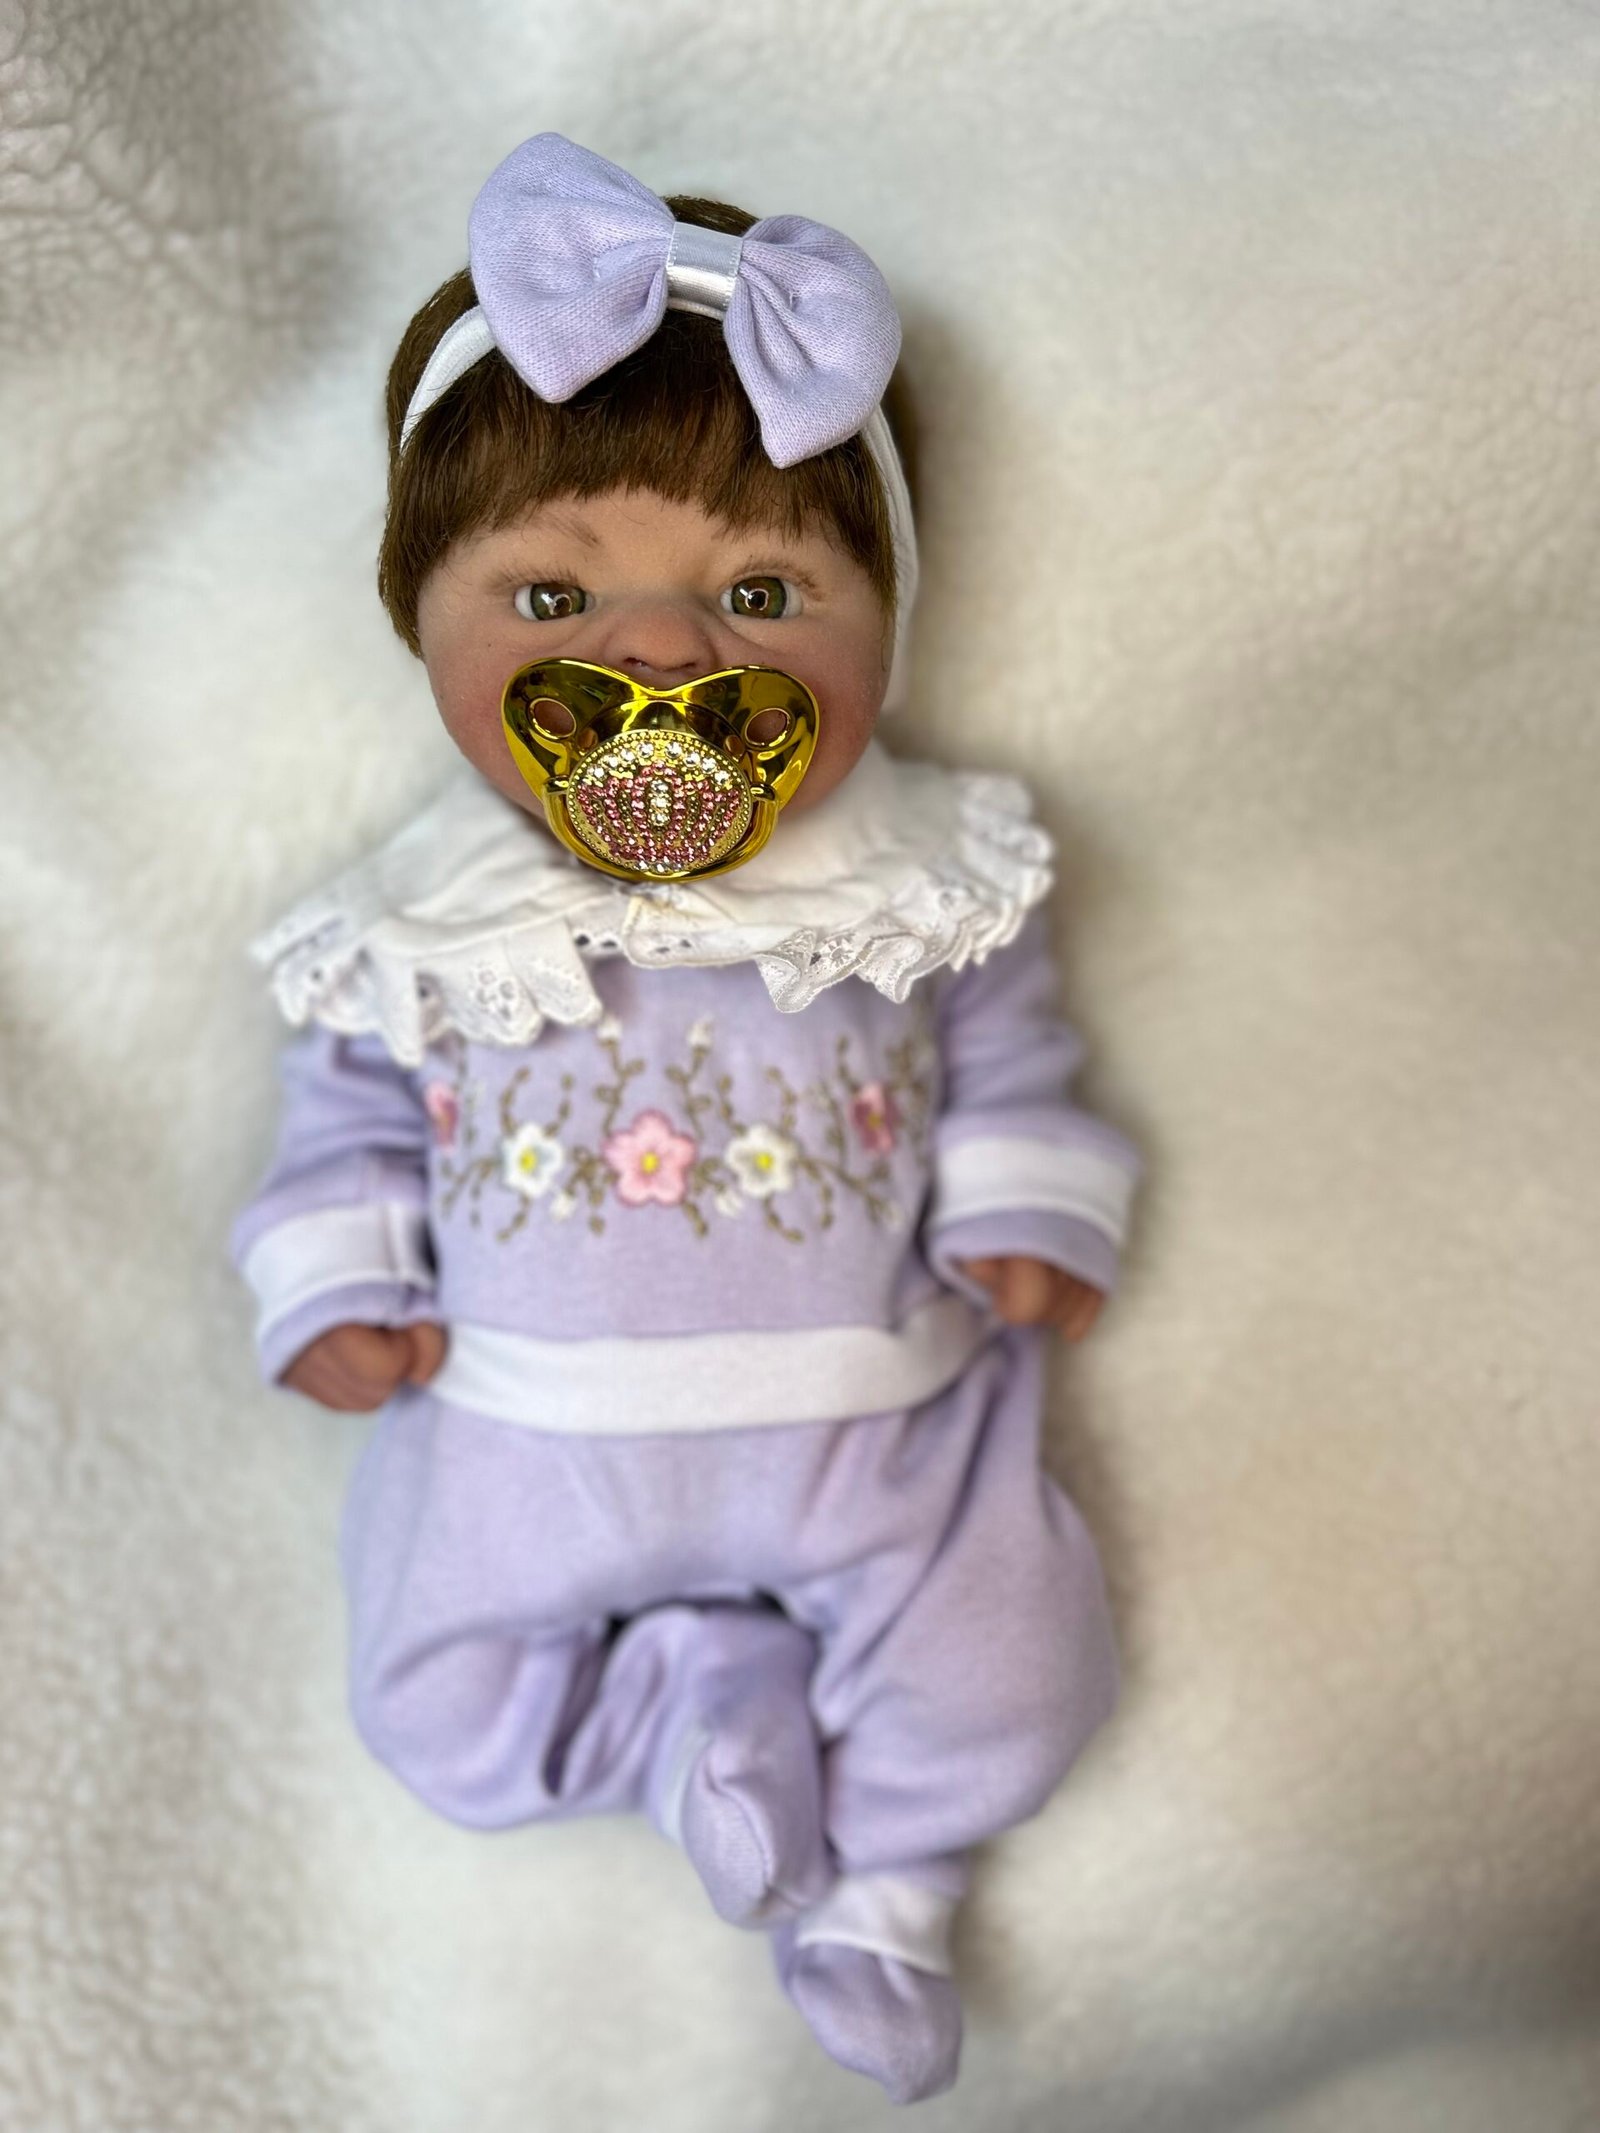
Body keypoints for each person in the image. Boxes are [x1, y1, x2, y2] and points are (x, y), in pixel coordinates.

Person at [231, 131, 1140, 2104]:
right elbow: (346, 1114)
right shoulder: (421, 912)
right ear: (417, 620)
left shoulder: (917, 869)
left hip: (877, 1417)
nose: (657, 653)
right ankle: (686, 1714)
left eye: (760, 588)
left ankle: (882, 1893)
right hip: (523, 1433)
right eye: (552, 590)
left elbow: (1008, 1041)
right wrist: (337, 1280)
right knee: (433, 1713)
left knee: (1022, 1669)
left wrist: (1022, 1201)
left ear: (887, 627)